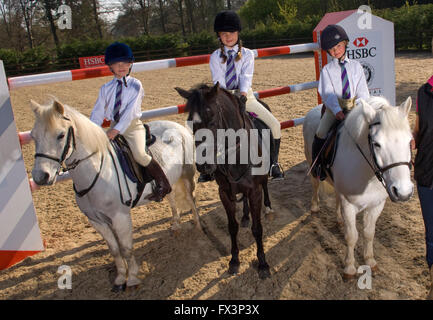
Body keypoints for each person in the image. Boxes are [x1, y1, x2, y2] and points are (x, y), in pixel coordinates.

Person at [197, 10, 284, 183]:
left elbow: (246, 77)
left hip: (246, 97)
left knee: (274, 125)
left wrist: (242, 95)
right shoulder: (215, 57)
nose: (228, 37)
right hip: (223, 99)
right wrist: (225, 100)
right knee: (205, 125)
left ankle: (274, 164)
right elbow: (218, 81)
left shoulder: (247, 54)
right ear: (219, 36)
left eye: (231, 33)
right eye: (223, 34)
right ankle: (207, 169)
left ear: (238, 33)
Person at [90, 41, 171, 202]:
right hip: (114, 125)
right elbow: (98, 112)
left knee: (140, 154)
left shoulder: (135, 85)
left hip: (132, 126)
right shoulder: (105, 88)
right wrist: (92, 129)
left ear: (131, 64)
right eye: (116, 63)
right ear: (110, 66)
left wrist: (115, 131)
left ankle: (163, 183)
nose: (121, 66)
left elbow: (129, 113)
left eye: (125, 63)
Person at [312, 24, 370, 180]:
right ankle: (318, 166)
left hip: (355, 106)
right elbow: (327, 93)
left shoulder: (356, 67)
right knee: (321, 132)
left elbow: (362, 90)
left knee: (372, 129)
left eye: (338, 46)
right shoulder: (327, 70)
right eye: (331, 49)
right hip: (334, 108)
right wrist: (337, 110)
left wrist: (359, 107)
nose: (335, 51)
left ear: (345, 43)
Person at [412, 74, 433, 300]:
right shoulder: (423, 92)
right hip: (427, 172)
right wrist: (411, 138)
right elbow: (418, 130)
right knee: (432, 234)